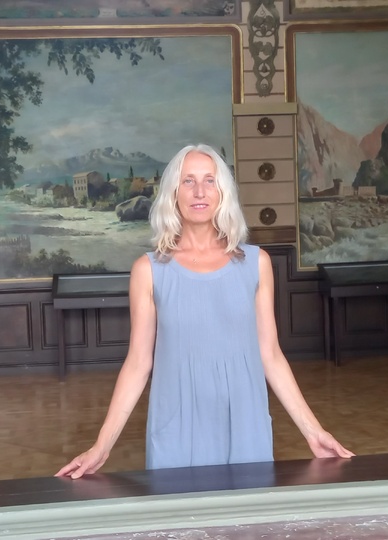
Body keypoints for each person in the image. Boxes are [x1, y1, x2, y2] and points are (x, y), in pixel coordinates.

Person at [56, 144, 353, 479]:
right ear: (173, 193)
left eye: (210, 180)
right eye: (188, 181)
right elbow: (138, 364)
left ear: (222, 191)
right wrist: (102, 445)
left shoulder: (257, 263)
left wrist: (314, 431)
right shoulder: (148, 271)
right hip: (176, 427)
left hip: (245, 423)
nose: (200, 191)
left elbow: (271, 355)